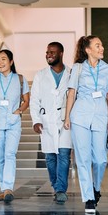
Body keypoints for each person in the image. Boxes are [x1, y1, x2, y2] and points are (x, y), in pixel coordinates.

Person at [64, 35, 108, 214]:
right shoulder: (78, 68)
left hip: (100, 116)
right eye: (97, 45)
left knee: (100, 159)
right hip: (79, 117)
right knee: (83, 158)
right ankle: (89, 199)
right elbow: (71, 93)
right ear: (88, 50)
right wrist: (67, 117)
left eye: (101, 45)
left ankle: (95, 187)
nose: (102, 48)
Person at [30, 42, 72, 205]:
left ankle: (61, 189)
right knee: (50, 158)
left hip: (65, 121)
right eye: (47, 52)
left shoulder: (70, 73)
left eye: (52, 52)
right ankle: (56, 185)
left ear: (61, 53)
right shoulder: (40, 75)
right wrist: (36, 120)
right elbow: (34, 100)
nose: (48, 54)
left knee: (63, 155)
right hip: (47, 121)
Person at [0, 49, 30, 204]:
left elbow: (26, 101)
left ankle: (8, 188)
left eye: (3, 59)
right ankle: (4, 189)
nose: (0, 62)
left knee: (10, 154)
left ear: (11, 62)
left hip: (13, 122)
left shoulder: (20, 79)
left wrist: (19, 111)